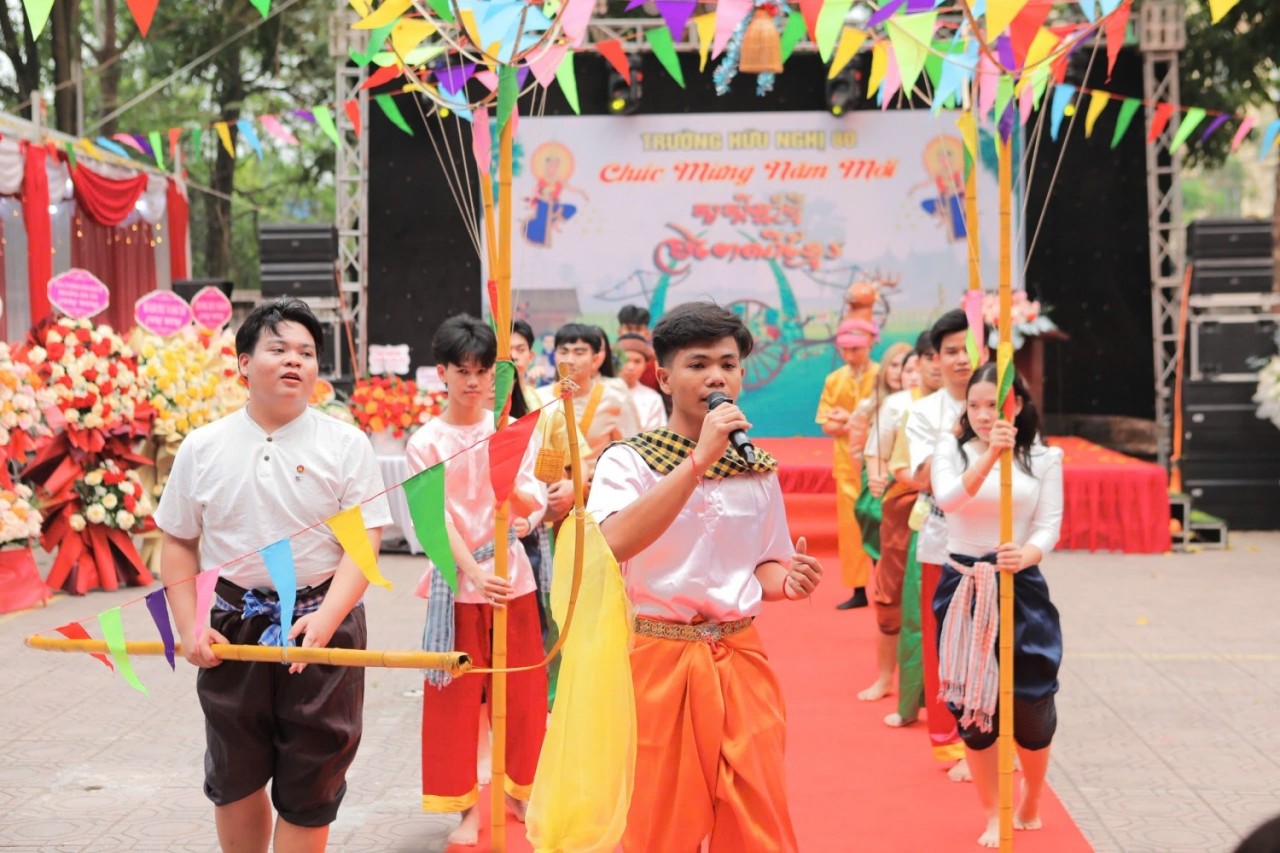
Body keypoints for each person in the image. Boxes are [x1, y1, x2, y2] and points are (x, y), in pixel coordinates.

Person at [156, 297, 392, 852]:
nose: (295, 362)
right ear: (242, 364)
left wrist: (327, 620)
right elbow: (178, 541)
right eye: (279, 349)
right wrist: (191, 625)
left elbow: (363, 547)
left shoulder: (346, 443)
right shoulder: (203, 446)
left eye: (306, 353)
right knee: (234, 771)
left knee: (314, 771)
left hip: (322, 622)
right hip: (231, 625)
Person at [588, 301, 823, 851]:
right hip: (656, 659)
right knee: (660, 822)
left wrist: (788, 581)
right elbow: (615, 541)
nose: (716, 376)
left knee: (757, 818)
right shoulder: (628, 461)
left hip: (739, 658)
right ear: (665, 378)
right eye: (698, 365)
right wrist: (697, 462)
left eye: (728, 363)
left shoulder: (756, 467)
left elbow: (766, 559)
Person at [407, 315, 548, 847]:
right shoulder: (426, 442)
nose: (471, 380)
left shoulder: (508, 432)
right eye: (460, 370)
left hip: (513, 578)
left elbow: (533, 496)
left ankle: (520, 791)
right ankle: (463, 806)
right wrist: (472, 570)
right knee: (455, 702)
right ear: (441, 371)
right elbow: (434, 521)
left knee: (526, 693)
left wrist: (524, 519)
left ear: (494, 373)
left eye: (481, 369)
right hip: (459, 585)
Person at [931, 363, 1063, 847]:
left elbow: (1049, 525)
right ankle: (992, 811)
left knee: (1032, 701)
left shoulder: (1045, 458)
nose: (984, 415)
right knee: (971, 705)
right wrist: (990, 457)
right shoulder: (952, 448)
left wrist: (1025, 553)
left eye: (995, 404)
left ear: (1019, 405)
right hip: (963, 585)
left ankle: (1032, 794)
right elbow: (948, 498)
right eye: (975, 405)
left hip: (1021, 587)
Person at [906, 309, 988, 779]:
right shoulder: (925, 412)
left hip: (997, 546)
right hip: (943, 545)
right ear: (936, 360)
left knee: (993, 643)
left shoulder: (1004, 404)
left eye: (967, 349)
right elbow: (922, 478)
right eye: (951, 352)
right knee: (946, 643)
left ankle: (992, 733)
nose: (961, 359)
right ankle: (951, 741)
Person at [863, 334, 937, 718]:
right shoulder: (896, 405)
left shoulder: (963, 405)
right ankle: (884, 677)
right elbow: (877, 452)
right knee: (891, 595)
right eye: (929, 358)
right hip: (902, 506)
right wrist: (878, 482)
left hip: (945, 510)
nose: (938, 365)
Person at [815, 317, 880, 611]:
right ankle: (858, 588)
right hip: (846, 464)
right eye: (845, 349)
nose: (850, 355)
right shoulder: (834, 379)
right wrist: (852, 421)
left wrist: (846, 418)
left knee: (881, 521)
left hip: (880, 461)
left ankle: (885, 583)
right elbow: (826, 423)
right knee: (851, 526)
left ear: (870, 344)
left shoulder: (882, 376)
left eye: (856, 348)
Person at [537, 323, 641, 472]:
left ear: (596, 358)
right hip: (551, 488)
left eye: (579, 353)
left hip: (599, 487)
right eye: (564, 352)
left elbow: (632, 451)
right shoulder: (540, 398)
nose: (570, 360)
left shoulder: (614, 398)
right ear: (555, 355)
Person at [616, 333, 666, 430]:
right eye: (625, 360)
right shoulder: (603, 392)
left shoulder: (652, 398)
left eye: (637, 361)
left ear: (645, 365)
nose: (631, 367)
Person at [618, 304, 661, 394]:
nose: (633, 333)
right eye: (629, 329)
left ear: (647, 333)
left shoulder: (657, 361)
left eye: (638, 329)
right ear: (619, 331)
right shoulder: (607, 358)